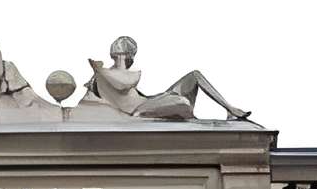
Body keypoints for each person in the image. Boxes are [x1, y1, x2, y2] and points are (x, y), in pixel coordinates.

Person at [82, 35, 249, 123]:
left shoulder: (110, 74)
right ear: (127, 55)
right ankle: (182, 115)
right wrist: (100, 70)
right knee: (182, 102)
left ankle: (229, 108)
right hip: (139, 110)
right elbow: (123, 84)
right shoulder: (106, 75)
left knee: (194, 76)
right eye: (130, 54)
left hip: (150, 102)